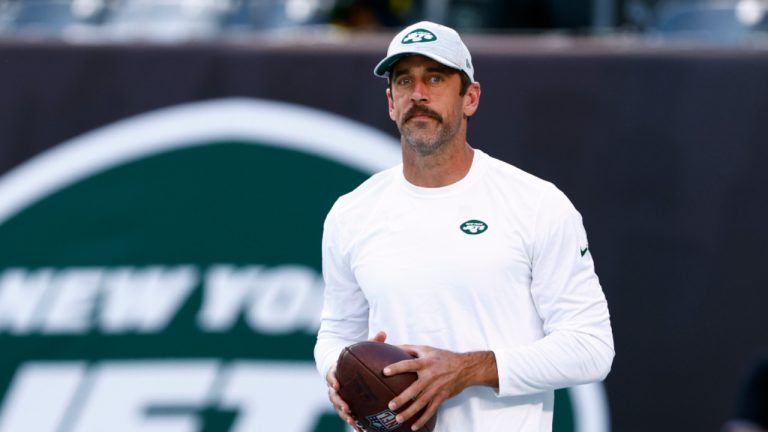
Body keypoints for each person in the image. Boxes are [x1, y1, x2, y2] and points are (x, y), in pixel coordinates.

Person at [314, 21, 614, 432]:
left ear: (470, 97)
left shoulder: (536, 203)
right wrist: (340, 375)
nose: (418, 93)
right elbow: (337, 330)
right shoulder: (352, 212)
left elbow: (591, 347)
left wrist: (467, 369)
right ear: (390, 102)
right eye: (404, 81)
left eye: (435, 78)